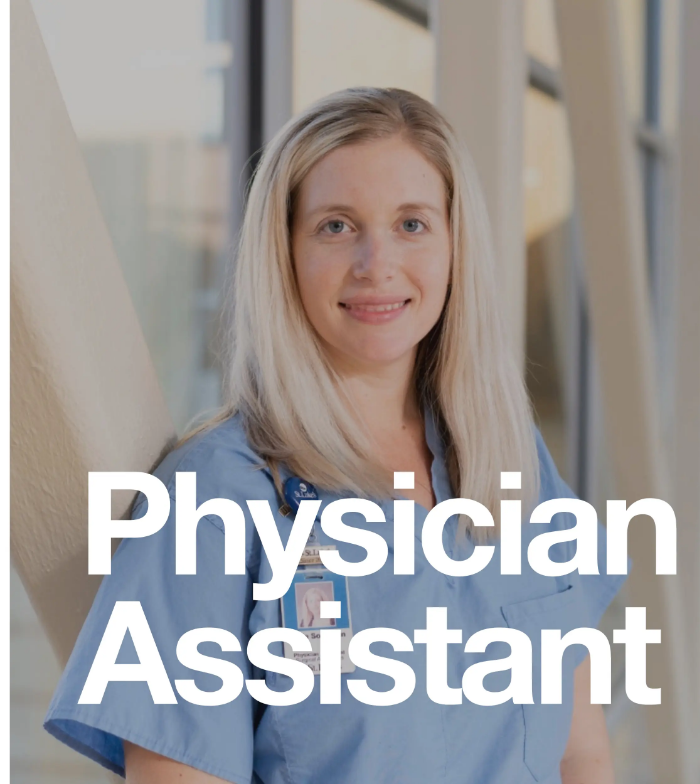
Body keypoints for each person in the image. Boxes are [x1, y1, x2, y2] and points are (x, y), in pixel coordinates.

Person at [44, 87, 627, 784]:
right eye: (336, 226)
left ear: (454, 245)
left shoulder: (509, 453)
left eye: (412, 224)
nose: (376, 263)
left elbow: (580, 752)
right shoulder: (215, 496)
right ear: (284, 252)